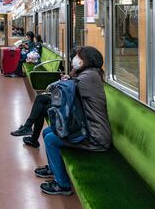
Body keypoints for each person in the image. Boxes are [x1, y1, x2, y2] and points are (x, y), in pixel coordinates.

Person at [33, 46, 111, 195]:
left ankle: (62, 184)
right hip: (86, 126)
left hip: (95, 135)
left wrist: (67, 79)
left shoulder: (89, 77)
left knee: (50, 139)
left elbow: (63, 90)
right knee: (49, 130)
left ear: (86, 61)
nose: (75, 59)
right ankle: (53, 168)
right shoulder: (89, 74)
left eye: (78, 57)